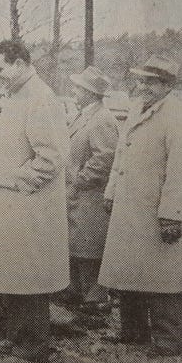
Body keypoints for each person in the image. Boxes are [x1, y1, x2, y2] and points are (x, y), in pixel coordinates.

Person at [0, 39, 70, 363]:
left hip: (28, 204)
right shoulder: (18, 95)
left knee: (31, 275)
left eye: (0, 69)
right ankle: (17, 336)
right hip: (12, 203)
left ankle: (34, 348)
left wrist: (14, 181)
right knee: (13, 271)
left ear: (19, 63)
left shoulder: (40, 98)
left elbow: (52, 159)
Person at [100, 54, 182, 357]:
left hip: (158, 210)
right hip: (130, 207)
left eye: (150, 81)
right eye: (140, 79)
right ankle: (133, 332)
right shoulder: (136, 110)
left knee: (167, 279)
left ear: (167, 85)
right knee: (129, 271)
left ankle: (168, 342)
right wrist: (111, 191)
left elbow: (181, 172)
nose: (142, 85)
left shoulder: (181, 117)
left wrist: (171, 215)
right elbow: (120, 155)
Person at [65, 66, 118, 309]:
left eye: (78, 88)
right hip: (79, 195)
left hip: (91, 196)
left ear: (90, 93)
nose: (74, 92)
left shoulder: (102, 120)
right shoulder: (84, 115)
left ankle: (95, 301)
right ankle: (80, 296)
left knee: (90, 248)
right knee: (78, 246)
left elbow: (105, 159)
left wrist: (80, 181)